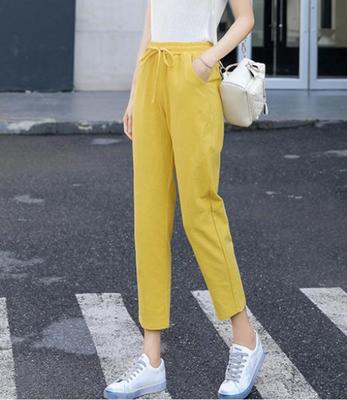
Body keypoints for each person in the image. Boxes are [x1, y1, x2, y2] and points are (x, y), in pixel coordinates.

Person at [104, 0, 265, 398]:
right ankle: (151, 358)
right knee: (149, 216)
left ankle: (245, 338)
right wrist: (135, 91)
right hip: (152, 74)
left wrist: (208, 59)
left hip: (195, 75)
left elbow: (245, 19)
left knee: (200, 211)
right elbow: (151, 22)